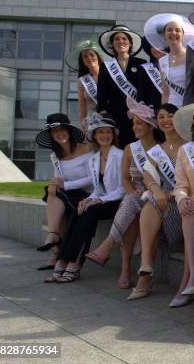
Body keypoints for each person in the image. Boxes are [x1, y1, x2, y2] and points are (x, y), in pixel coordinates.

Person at [85, 98, 159, 289]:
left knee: (130, 204)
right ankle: (125, 268)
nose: (135, 127)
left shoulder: (162, 149)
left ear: (150, 126)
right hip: (135, 195)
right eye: (134, 123)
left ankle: (107, 247)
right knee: (131, 209)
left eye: (139, 123)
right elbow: (126, 179)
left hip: (155, 197)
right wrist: (132, 192)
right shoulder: (130, 148)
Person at [128, 102, 194, 301]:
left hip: (184, 203)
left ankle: (145, 276)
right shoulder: (157, 150)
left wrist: (165, 195)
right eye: (161, 117)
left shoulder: (191, 146)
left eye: (170, 115)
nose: (166, 120)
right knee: (151, 202)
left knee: (151, 203)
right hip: (162, 203)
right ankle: (146, 269)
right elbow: (148, 175)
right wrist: (156, 189)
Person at [45, 113, 124, 283]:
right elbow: (97, 187)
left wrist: (100, 200)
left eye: (108, 132)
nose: (104, 135)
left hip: (117, 202)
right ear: (94, 136)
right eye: (100, 132)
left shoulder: (121, 155)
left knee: (88, 212)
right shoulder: (94, 158)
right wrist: (89, 199)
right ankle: (62, 261)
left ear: (114, 135)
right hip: (101, 200)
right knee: (78, 210)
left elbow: (123, 189)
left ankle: (75, 264)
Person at [35, 114, 92, 271]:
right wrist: (54, 183)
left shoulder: (86, 149)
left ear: (69, 131)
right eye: (55, 132)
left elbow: (92, 180)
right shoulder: (55, 155)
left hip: (88, 195)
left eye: (62, 130)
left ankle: (53, 241)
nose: (59, 134)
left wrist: (65, 185)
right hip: (68, 195)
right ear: (52, 136)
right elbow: (58, 176)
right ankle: (54, 243)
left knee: (56, 195)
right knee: (51, 191)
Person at [97, 24, 146, 148]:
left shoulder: (141, 63)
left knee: (138, 147)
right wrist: (103, 114)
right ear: (112, 44)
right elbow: (102, 93)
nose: (120, 41)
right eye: (117, 39)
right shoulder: (106, 66)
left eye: (124, 39)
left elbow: (145, 90)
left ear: (130, 43)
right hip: (115, 115)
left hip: (137, 115)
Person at [145, 13, 194, 107]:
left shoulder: (191, 56)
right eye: (169, 30)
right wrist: (164, 112)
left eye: (177, 30)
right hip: (170, 112)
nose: (173, 33)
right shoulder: (162, 60)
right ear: (164, 34)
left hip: (188, 108)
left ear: (183, 34)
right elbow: (165, 92)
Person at [64, 38, 107, 129]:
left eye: (92, 55)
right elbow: (82, 107)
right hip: (92, 123)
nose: (89, 58)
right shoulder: (82, 81)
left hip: (109, 120)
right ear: (82, 61)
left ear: (98, 57)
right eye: (85, 56)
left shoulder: (109, 75)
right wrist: (83, 127)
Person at [137, 38, 165, 110]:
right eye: (153, 46)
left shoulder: (176, 67)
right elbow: (141, 94)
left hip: (173, 109)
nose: (156, 49)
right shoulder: (144, 69)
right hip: (151, 110)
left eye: (159, 46)